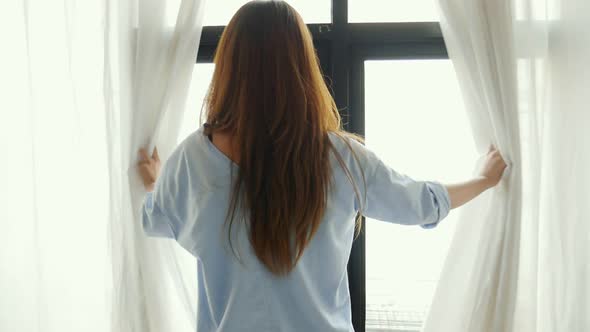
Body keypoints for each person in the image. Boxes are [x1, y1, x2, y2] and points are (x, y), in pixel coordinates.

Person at [137, 1, 507, 331]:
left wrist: (157, 182)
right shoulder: (341, 158)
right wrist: (482, 179)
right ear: (302, 64)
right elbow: (422, 204)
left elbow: (158, 219)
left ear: (229, 65)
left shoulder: (190, 161)